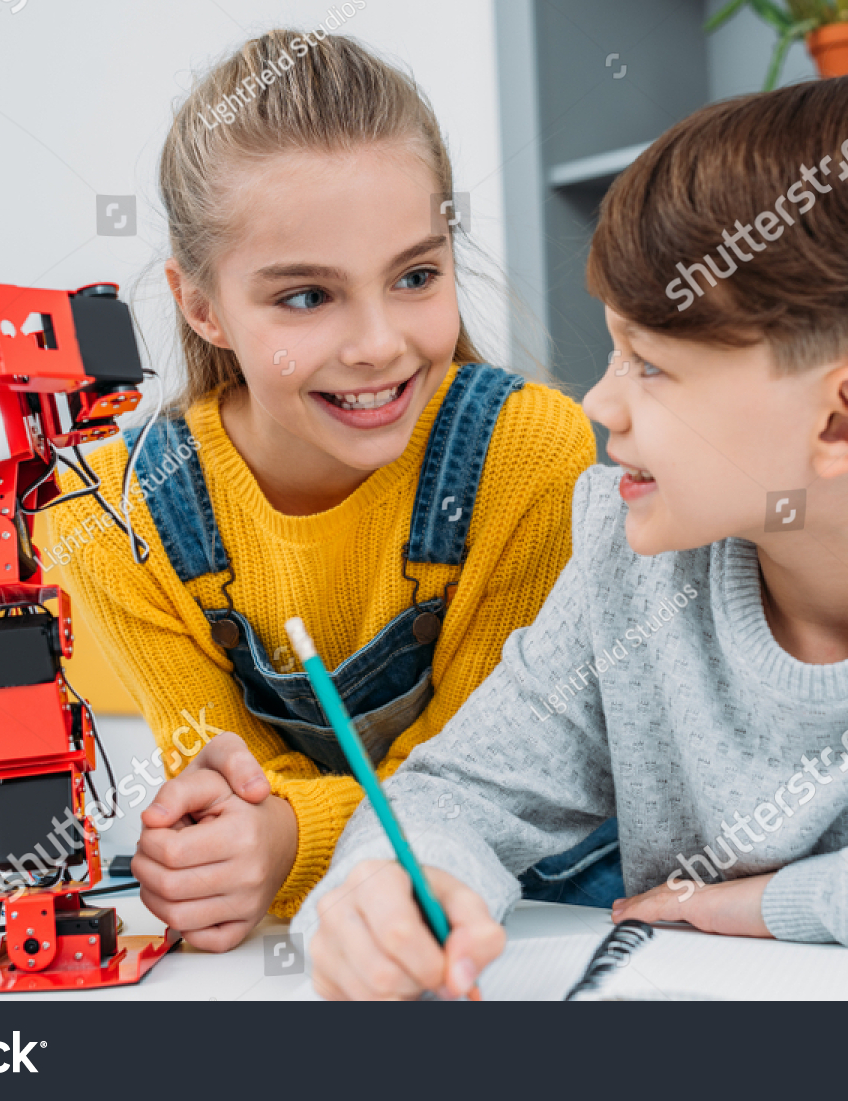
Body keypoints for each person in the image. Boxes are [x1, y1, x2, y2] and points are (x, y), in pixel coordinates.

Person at [293, 71, 848, 1000]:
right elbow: (454, 795)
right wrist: (394, 887)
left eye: (651, 365)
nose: (600, 403)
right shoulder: (630, 555)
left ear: (844, 423)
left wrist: (796, 902)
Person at [40, 29, 601, 951]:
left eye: (416, 275)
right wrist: (226, 847)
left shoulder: (531, 452)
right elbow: (228, 793)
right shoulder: (113, 511)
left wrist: (290, 837)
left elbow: (492, 787)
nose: (380, 343)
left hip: (542, 911)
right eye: (307, 296)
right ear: (201, 306)